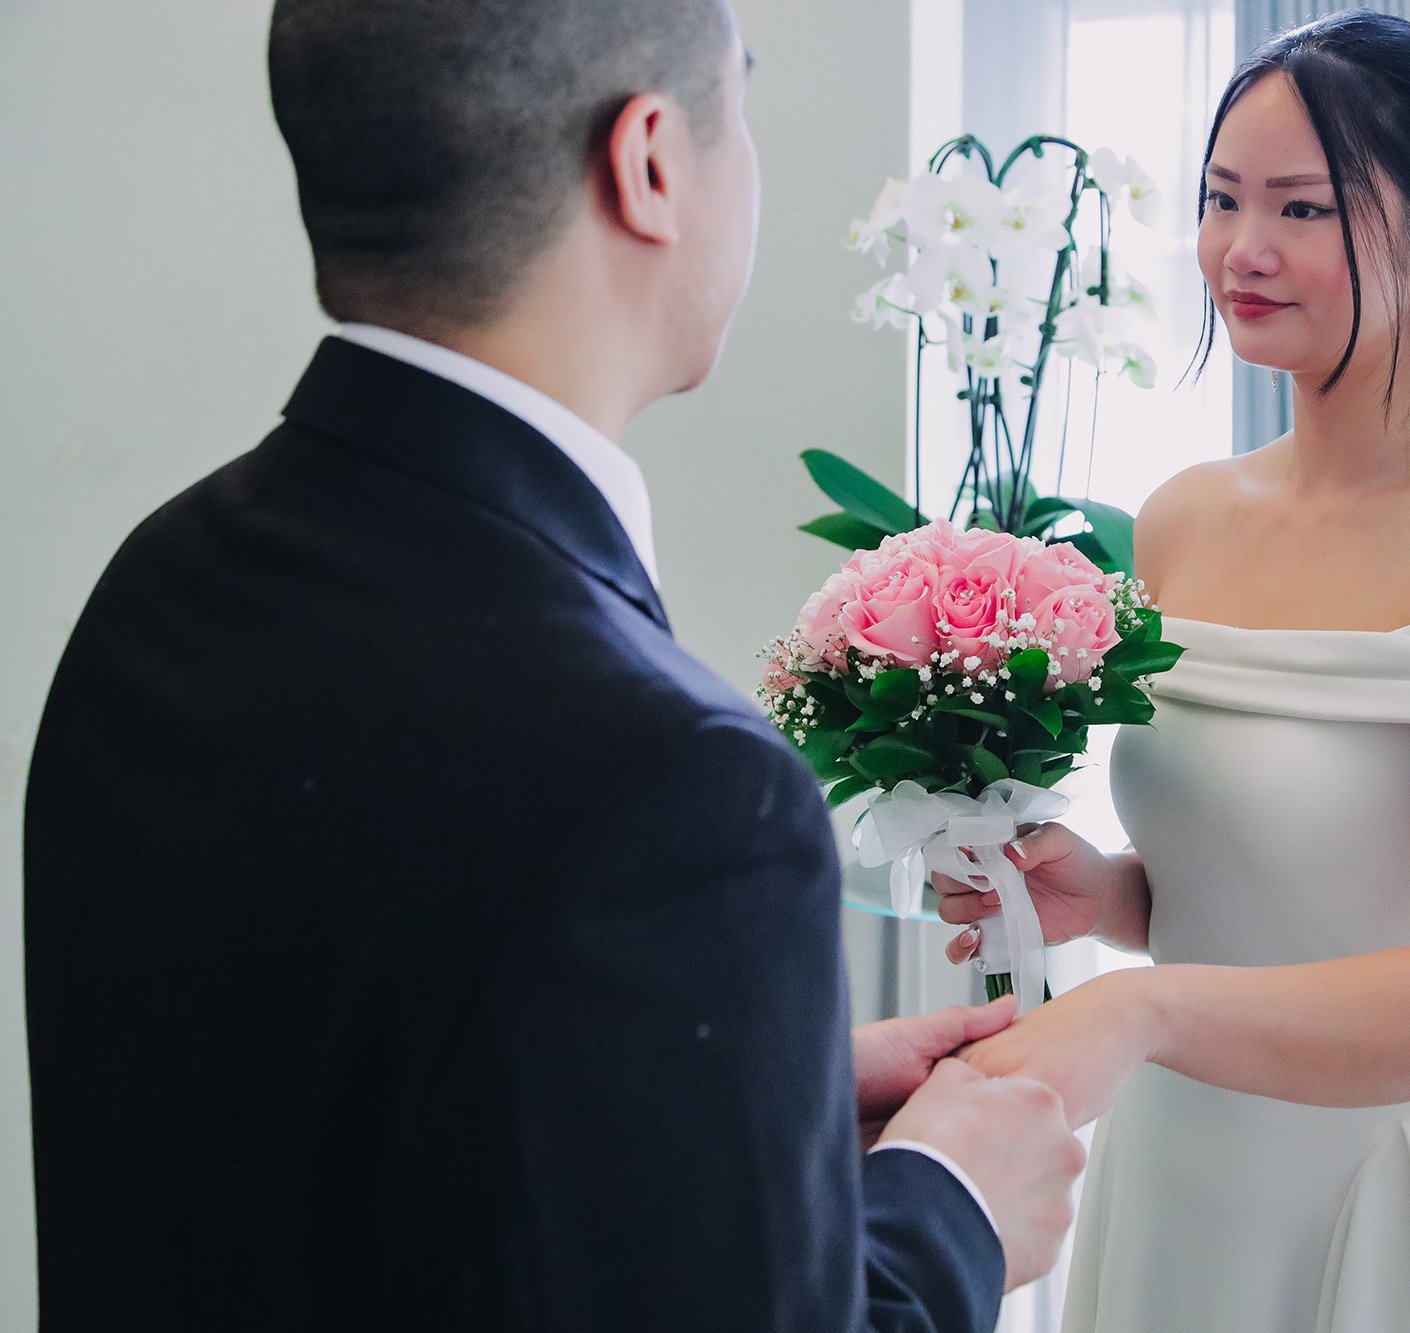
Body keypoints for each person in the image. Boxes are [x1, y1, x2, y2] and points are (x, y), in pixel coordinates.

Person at [22, 2, 1083, 1328]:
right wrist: (950, 1208)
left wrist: (759, 1094)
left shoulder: (156, 588)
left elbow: (332, 1119)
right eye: (737, 106)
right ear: (648, 162)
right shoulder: (679, 785)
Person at [937, 12, 1410, 1331]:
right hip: (1180, 1173)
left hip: (1386, 1201)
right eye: (1220, 200)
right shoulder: (1187, 516)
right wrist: (1110, 896)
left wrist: (1142, 1011)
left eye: (1303, 209)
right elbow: (1291, 887)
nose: (1240, 252)